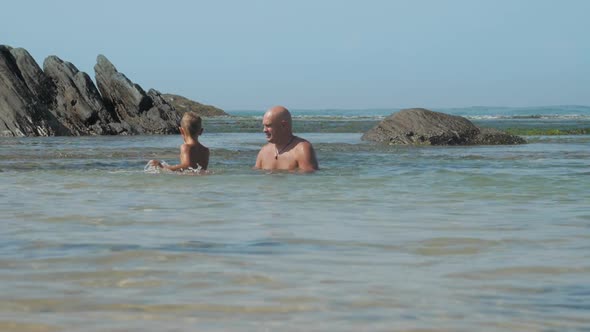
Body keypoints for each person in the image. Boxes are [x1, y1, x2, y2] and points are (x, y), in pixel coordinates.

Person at [254, 105, 319, 172]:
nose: (264, 130)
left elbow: (310, 180)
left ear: (283, 125)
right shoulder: (264, 151)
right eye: (264, 126)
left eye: (268, 125)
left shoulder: (302, 149)